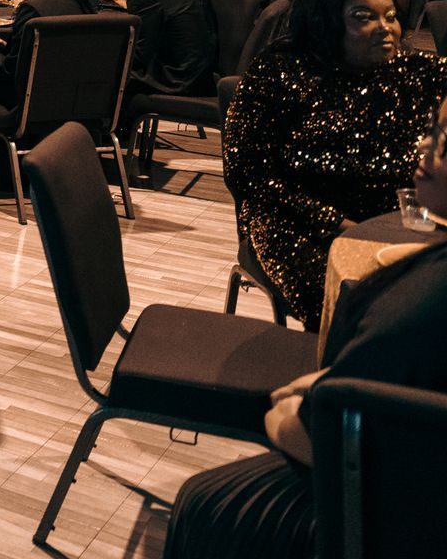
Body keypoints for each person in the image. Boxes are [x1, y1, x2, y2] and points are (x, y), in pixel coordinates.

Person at [162, 238, 447, 559]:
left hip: (393, 504)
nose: (413, 182)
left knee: (202, 501)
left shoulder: (428, 300)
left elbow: (320, 438)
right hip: (398, 477)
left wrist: (288, 412)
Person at [221, 0, 447, 327]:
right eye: (364, 17)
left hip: (396, 221)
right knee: (363, 302)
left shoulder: (413, 71)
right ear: (325, 22)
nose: (386, 27)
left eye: (390, 16)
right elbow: (247, 173)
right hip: (297, 226)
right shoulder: (279, 72)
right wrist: (337, 223)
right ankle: (336, 375)